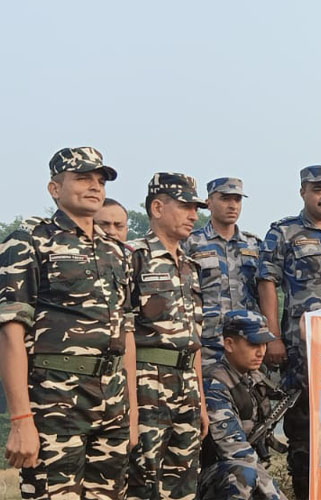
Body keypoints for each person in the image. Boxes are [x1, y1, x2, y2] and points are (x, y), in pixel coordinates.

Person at [0, 147, 134, 499]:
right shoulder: (30, 239)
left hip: (111, 402)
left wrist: (130, 412)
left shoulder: (117, 252)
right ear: (54, 189)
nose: (94, 186)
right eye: (82, 178)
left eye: (100, 180)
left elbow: (126, 333)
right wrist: (20, 419)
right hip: (55, 402)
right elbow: (11, 333)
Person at [257, 165, 321, 499]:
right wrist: (272, 336)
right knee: (305, 428)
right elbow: (267, 282)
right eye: (318, 189)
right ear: (303, 192)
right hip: (304, 348)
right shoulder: (283, 232)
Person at [127, 172, 209, 500]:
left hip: (186, 383)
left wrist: (200, 398)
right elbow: (123, 333)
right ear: (158, 208)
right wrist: (130, 405)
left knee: (184, 483)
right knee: (144, 481)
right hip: (148, 383)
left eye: (196, 208)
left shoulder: (189, 266)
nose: (194, 214)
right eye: (185, 206)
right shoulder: (133, 257)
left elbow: (195, 339)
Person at [199, 310, 287, 500]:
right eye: (253, 344)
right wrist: (274, 494)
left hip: (245, 469)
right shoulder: (214, 385)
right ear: (229, 344)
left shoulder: (254, 378)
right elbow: (236, 453)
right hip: (210, 475)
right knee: (243, 473)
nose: (261, 351)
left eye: (264, 344)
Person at [185, 177, 263, 368]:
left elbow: (264, 292)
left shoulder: (254, 245)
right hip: (207, 344)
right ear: (209, 202)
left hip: (247, 343)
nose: (232, 205)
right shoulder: (191, 243)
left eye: (237, 200)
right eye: (225, 199)